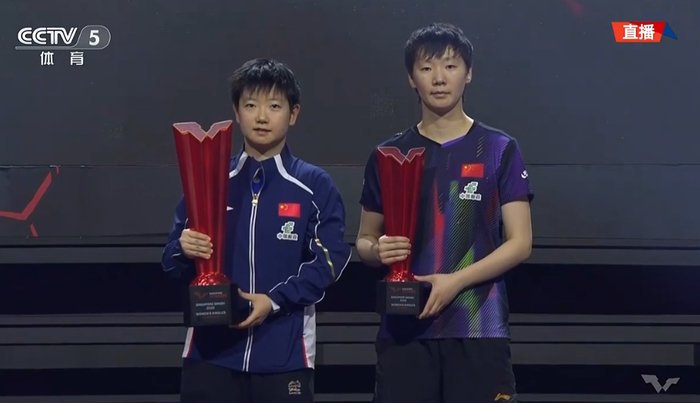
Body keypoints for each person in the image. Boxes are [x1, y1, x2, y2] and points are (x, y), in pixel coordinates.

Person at [356, 23, 534, 403]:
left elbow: (520, 243)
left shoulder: (499, 148)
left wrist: (455, 281)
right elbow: (365, 240)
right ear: (411, 78)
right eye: (426, 68)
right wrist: (377, 250)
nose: (439, 78)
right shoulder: (389, 155)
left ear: (468, 74)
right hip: (405, 331)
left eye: (450, 66)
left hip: (478, 326)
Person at [161, 58, 352, 403]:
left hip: (285, 356)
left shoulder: (313, 184)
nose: (262, 117)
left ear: (293, 114)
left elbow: (330, 260)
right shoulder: (209, 180)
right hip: (210, 356)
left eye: (274, 106)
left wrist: (274, 301)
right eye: (251, 105)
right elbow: (171, 262)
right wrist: (183, 249)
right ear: (236, 111)